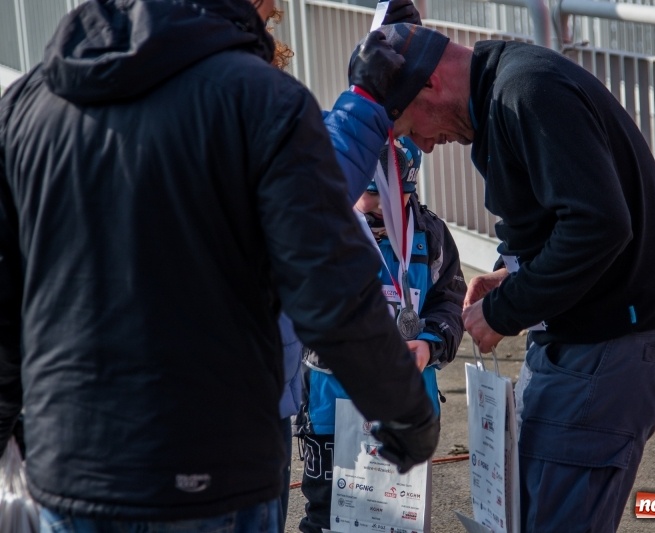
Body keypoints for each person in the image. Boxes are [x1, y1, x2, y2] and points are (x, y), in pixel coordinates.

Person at [0, 0, 440, 530]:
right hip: (214, 468)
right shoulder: (263, 101)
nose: (275, 10)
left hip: (71, 463)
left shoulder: (26, 103)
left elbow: (7, 302)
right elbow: (327, 282)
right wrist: (404, 409)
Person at [353, 22, 655, 532]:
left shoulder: (528, 91)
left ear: (429, 83)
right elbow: (571, 221)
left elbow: (599, 225)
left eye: (413, 130)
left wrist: (505, 310)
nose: (427, 146)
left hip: (616, 339)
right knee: (527, 511)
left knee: (552, 519)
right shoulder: (506, 94)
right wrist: (510, 276)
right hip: (587, 336)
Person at [293, 136, 466, 533]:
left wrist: (430, 343)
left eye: (403, 193)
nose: (391, 205)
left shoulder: (430, 233)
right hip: (332, 408)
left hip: (408, 403)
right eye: (374, 194)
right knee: (327, 514)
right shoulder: (320, 230)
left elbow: (449, 301)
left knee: (400, 519)